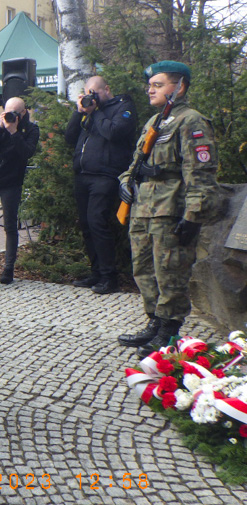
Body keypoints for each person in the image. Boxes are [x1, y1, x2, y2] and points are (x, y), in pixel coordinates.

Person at [117, 61, 221, 358]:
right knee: (144, 269)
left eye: (158, 85)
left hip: (170, 208)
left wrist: (193, 215)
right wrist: (125, 182)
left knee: (170, 272)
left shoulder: (191, 121)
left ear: (180, 86)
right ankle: (155, 322)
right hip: (143, 208)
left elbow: (201, 173)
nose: (150, 89)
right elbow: (136, 164)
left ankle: (169, 330)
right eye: (150, 85)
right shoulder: (154, 122)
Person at [65, 75, 138, 294]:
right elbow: (69, 137)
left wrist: (95, 112)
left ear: (106, 89)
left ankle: (109, 277)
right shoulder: (90, 112)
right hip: (83, 174)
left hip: (106, 174)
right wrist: (79, 112)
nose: (91, 98)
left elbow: (113, 133)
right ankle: (96, 272)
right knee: (87, 225)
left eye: (94, 94)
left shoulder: (124, 107)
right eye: (88, 94)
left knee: (97, 221)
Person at [0, 97, 39, 284]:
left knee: (10, 226)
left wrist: (14, 132)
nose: (10, 115)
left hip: (12, 183)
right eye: (7, 111)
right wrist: (0, 125)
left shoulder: (31, 129)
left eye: (14, 112)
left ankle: (8, 268)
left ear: (23, 113)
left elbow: (27, 152)